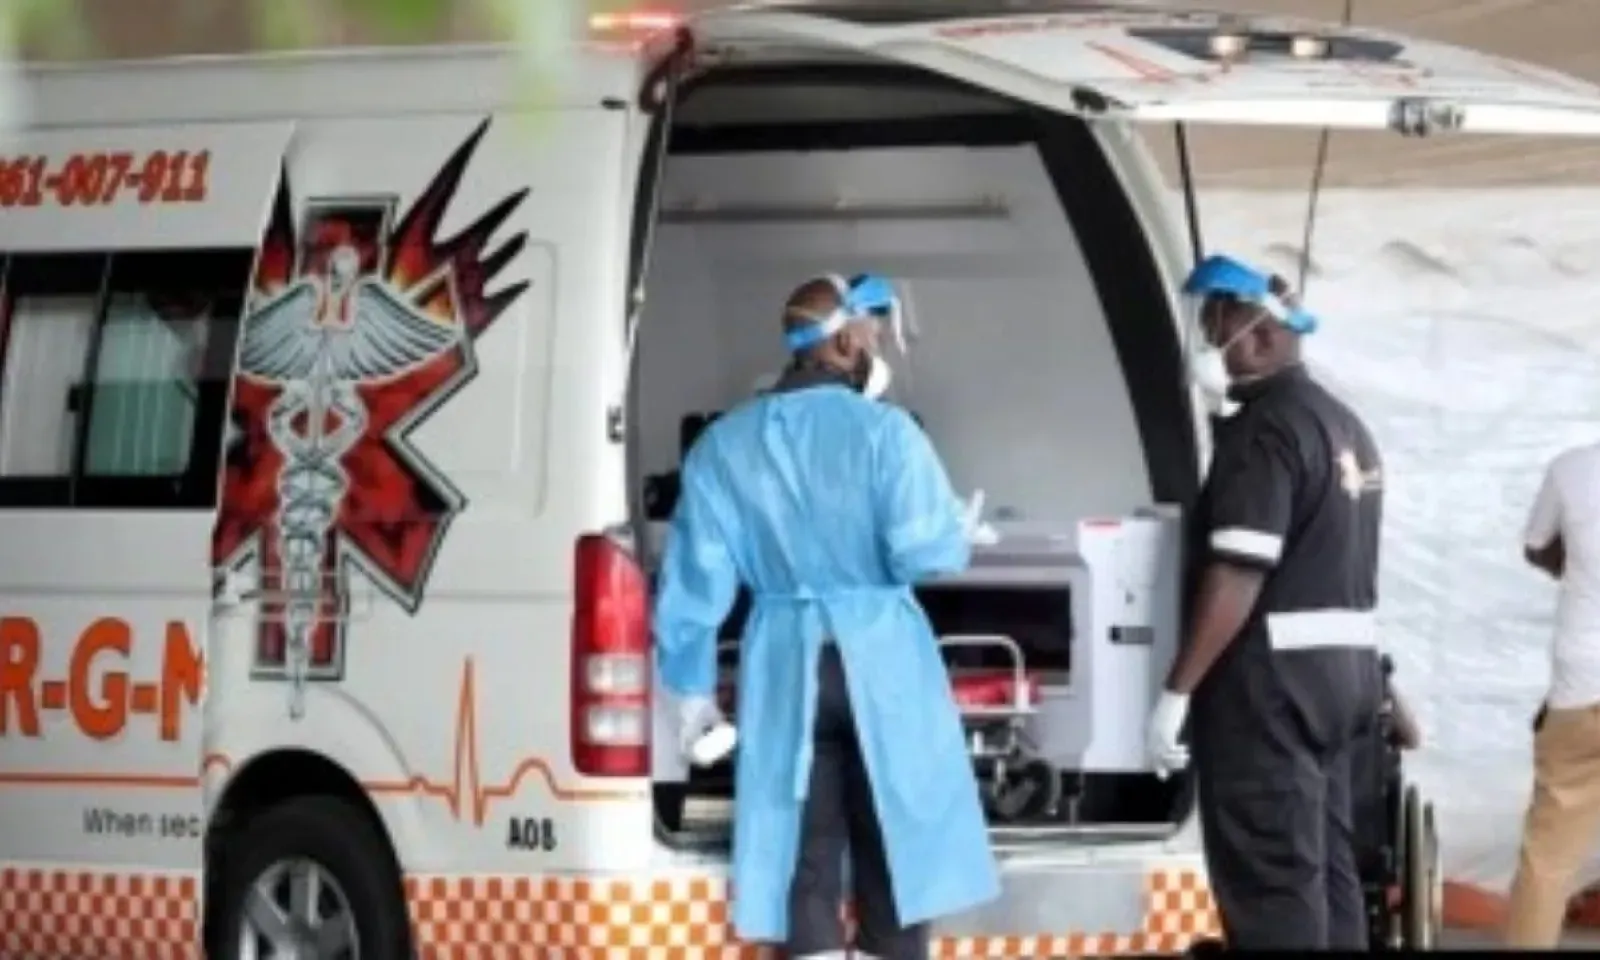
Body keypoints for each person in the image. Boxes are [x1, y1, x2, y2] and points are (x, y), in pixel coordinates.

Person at [653, 273, 1000, 958]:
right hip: (881, 662)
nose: (876, 347)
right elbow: (920, 551)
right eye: (871, 334)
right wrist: (956, 533)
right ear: (843, 342)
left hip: (787, 664)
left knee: (801, 853)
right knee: (896, 844)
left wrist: (692, 696)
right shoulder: (888, 433)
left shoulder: (724, 445)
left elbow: (694, 581)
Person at [1145, 254, 1386, 949]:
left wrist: (1178, 692)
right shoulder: (1345, 425)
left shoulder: (1265, 431)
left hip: (1271, 696)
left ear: (1260, 336)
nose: (1206, 345)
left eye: (1213, 327)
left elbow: (1239, 573)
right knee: (1328, 874)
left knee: (1274, 885)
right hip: (1341, 686)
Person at [1503, 439, 1600, 946]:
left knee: (1548, 860)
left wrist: (1577, 564)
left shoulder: (1571, 468)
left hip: (1582, 685)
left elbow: (1536, 545)